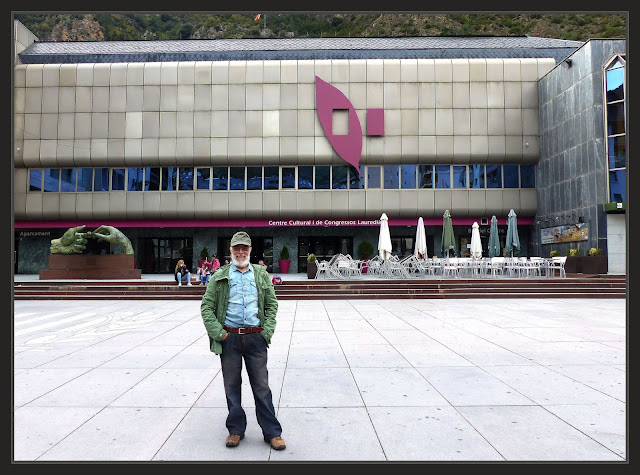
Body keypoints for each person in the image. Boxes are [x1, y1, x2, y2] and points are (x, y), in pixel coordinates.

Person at [200, 231, 285, 450]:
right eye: (236, 248)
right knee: (231, 386)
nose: (240, 252)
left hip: (256, 338)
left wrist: (267, 331)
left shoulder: (261, 274)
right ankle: (236, 430)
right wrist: (220, 334)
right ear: (230, 251)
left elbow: (272, 304)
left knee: (262, 387)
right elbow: (206, 307)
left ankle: (272, 432)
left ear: (250, 250)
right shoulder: (219, 276)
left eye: (244, 248)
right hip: (230, 339)